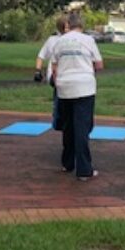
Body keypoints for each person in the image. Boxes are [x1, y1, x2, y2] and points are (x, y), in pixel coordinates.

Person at [51, 11, 103, 180]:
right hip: (84, 87)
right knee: (82, 128)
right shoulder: (88, 40)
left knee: (68, 126)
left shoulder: (59, 41)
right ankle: (84, 169)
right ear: (81, 25)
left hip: (65, 87)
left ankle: (67, 162)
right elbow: (99, 64)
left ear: (69, 24)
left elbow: (54, 65)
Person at [34, 14, 68, 128]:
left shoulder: (75, 39)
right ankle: (59, 118)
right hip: (56, 76)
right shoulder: (52, 40)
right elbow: (41, 56)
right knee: (60, 99)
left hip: (70, 75)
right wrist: (38, 71)